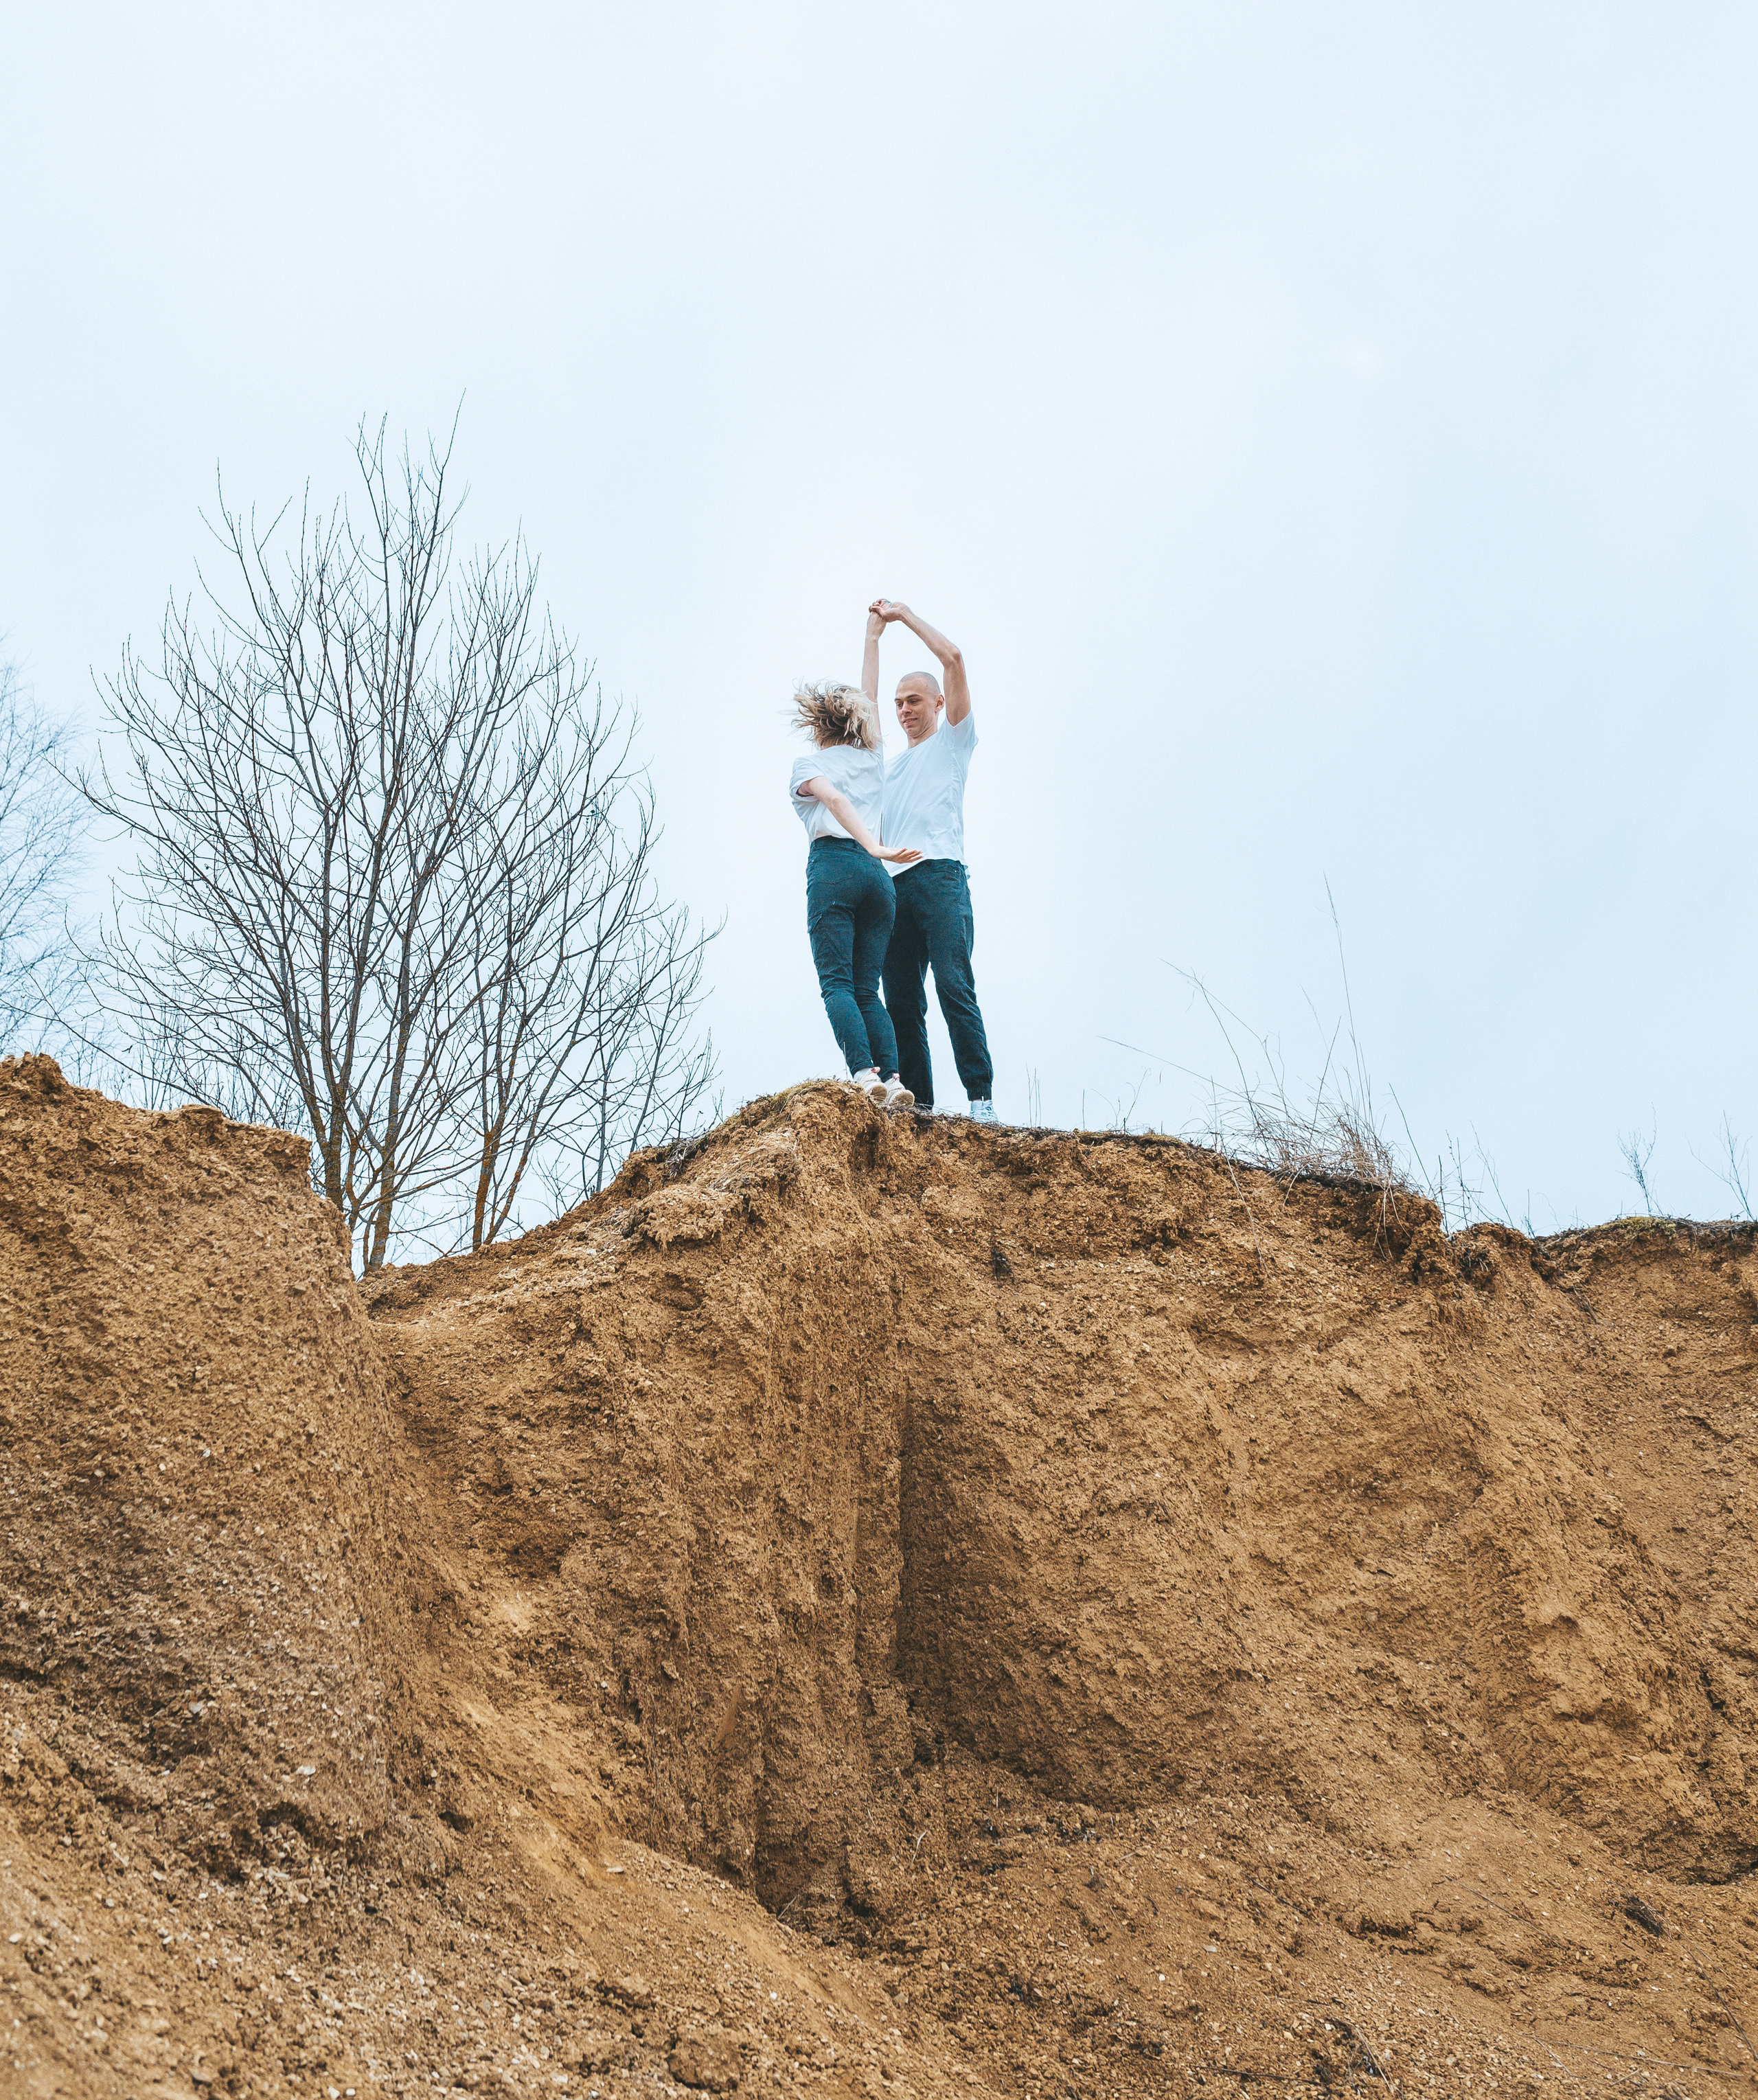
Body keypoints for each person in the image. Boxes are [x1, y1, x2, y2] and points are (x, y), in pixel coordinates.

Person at [868, 599, 996, 1122]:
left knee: (952, 984)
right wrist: (872, 638)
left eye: (914, 700)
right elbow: (864, 701)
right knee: (902, 1004)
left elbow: (955, 658)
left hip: (941, 877)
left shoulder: (952, 743)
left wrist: (902, 617)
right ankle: (918, 1110)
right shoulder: (886, 769)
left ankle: (981, 1102)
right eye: (898, 703)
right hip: (892, 889)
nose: (903, 710)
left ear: (938, 704)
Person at [788, 604, 920, 1110]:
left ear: (817, 724)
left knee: (838, 985)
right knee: (869, 990)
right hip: (878, 880)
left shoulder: (807, 763)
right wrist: (873, 636)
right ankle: (895, 1077)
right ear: (858, 719)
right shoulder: (873, 758)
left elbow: (835, 802)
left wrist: (871, 844)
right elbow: (870, 690)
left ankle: (866, 1078)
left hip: (838, 868)